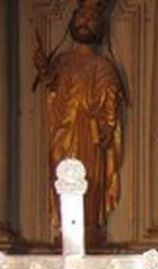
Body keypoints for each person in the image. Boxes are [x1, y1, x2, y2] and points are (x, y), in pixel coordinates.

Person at [34, 0, 125, 246]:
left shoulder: (103, 66)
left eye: (92, 18)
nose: (85, 21)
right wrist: (43, 68)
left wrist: (107, 126)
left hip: (88, 133)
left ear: (101, 27)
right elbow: (51, 85)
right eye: (81, 16)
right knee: (60, 177)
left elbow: (111, 101)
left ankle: (88, 229)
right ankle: (64, 228)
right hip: (61, 132)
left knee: (89, 181)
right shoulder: (62, 61)